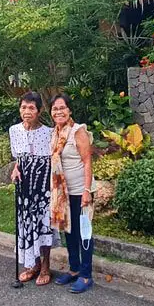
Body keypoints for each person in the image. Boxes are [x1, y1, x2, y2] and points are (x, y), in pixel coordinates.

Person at [48, 94, 95, 294]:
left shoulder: (78, 131)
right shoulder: (55, 133)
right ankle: (74, 270)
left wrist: (86, 191)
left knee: (83, 233)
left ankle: (86, 276)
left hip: (79, 191)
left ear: (69, 110)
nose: (58, 112)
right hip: (62, 193)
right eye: (55, 109)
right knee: (69, 232)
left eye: (62, 108)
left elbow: (87, 162)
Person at [9, 92, 54, 285]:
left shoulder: (50, 132)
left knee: (42, 225)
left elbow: (53, 161)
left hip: (43, 187)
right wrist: (15, 170)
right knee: (27, 226)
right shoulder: (14, 130)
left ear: (39, 110)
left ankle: (45, 267)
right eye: (23, 107)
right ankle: (32, 265)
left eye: (31, 108)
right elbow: (18, 158)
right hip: (24, 188)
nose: (27, 112)